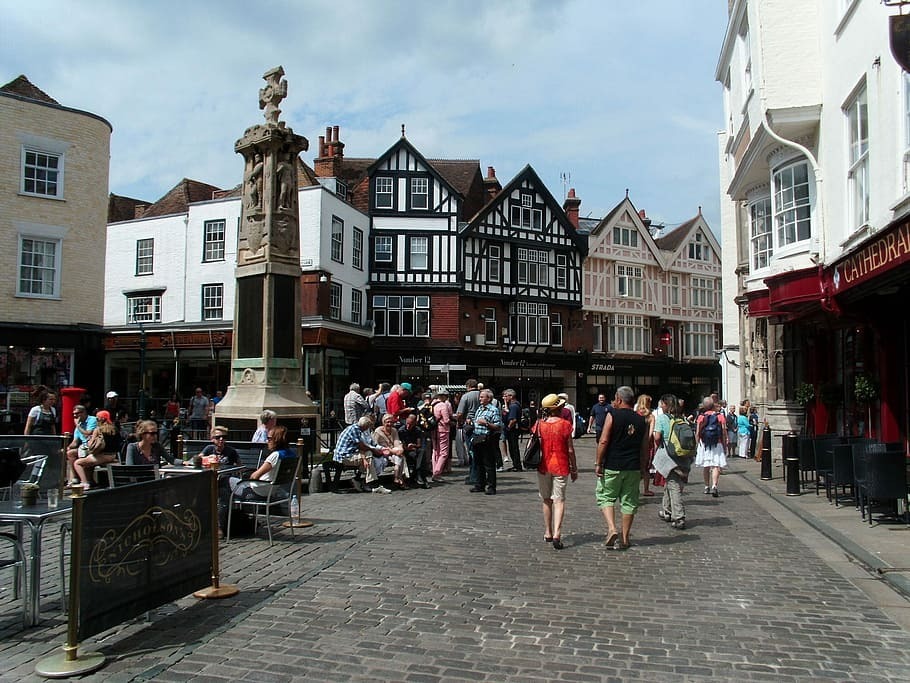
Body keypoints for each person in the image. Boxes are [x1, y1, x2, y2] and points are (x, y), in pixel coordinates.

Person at [594, 386, 649, 551]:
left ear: (618, 399)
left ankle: (612, 528)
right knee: (629, 502)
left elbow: (603, 440)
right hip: (632, 466)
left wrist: (598, 462)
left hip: (613, 464)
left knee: (605, 497)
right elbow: (645, 446)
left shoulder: (613, 415)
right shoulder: (642, 419)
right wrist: (643, 466)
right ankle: (625, 538)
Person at [222, 425, 295, 535]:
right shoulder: (291, 454)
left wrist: (250, 476)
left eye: (269, 438)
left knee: (224, 481)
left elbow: (255, 476)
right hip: (272, 491)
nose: (267, 441)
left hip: (257, 491)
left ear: (277, 440)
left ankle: (223, 523)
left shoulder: (275, 455)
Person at [535, 393, 578, 550]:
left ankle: (547, 531)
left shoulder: (539, 424)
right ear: (558, 408)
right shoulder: (565, 425)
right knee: (559, 500)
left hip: (543, 465)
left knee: (546, 499)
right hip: (561, 465)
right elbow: (570, 450)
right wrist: (574, 468)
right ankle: (557, 534)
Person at [655, 394, 692, 529]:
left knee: (673, 485)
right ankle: (667, 510)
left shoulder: (662, 418)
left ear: (667, 405)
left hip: (669, 455)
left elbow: (657, 436)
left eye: (662, 404)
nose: (661, 406)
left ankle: (679, 517)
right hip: (683, 455)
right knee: (670, 482)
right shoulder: (682, 418)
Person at [332, 415, 392, 494]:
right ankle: (373, 484)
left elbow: (361, 447)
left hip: (350, 453)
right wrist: (373, 450)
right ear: (365, 426)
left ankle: (363, 481)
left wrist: (365, 458)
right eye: (367, 427)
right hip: (343, 457)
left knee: (368, 456)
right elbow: (362, 446)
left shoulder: (355, 428)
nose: (367, 429)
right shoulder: (355, 430)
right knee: (369, 455)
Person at [73, 410, 121, 488]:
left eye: (97, 419)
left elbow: (90, 445)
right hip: (112, 455)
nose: (96, 420)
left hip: (102, 456)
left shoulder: (98, 429)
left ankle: (84, 483)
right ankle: (90, 480)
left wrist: (89, 439)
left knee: (78, 463)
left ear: (101, 419)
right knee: (88, 460)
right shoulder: (114, 429)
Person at [469, 389, 503, 495]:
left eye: (482, 397)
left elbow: (498, 426)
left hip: (487, 439)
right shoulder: (479, 409)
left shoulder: (493, 410)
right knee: (478, 463)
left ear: (488, 398)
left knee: (489, 464)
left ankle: (491, 486)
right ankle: (480, 484)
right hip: (477, 438)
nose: (480, 398)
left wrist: (487, 423)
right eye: (480, 397)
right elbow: (476, 421)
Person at [695, 396, 727, 497]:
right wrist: (725, 444)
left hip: (704, 443)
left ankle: (706, 486)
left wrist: (697, 444)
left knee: (706, 465)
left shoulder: (701, 417)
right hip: (717, 443)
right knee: (716, 465)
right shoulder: (720, 416)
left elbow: (697, 432)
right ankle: (714, 486)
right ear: (713, 405)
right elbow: (724, 431)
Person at [373, 413, 410, 488]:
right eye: (387, 422)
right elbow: (375, 445)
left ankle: (397, 478)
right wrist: (392, 451)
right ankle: (399, 478)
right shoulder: (378, 432)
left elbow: (396, 441)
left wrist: (400, 448)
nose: (389, 424)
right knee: (400, 457)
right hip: (383, 452)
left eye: (391, 422)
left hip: (394, 451)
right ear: (383, 422)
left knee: (400, 457)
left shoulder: (394, 430)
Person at [456, 379, 481, 485]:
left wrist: (459, 422)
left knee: (471, 451)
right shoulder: (482, 395)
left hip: (470, 425)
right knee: (480, 452)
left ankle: (474, 476)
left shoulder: (466, 396)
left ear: (468, 386)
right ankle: (478, 474)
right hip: (481, 425)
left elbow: (460, 413)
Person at [66, 404, 97, 482]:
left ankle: (86, 480)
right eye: (73, 414)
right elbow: (75, 442)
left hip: (93, 446)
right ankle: (75, 478)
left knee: (82, 453)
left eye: (77, 413)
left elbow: (88, 433)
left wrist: (77, 425)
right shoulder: (79, 425)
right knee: (70, 453)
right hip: (83, 447)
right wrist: (68, 447)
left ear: (84, 413)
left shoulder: (92, 420)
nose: (75, 416)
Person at [635, 394, 657, 497]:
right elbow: (650, 433)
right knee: (646, 468)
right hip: (647, 445)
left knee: (636, 467)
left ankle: (633, 488)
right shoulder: (651, 416)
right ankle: (646, 489)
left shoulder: (635, 414)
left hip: (636, 443)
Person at [399, 413, 428, 488]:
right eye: (408, 423)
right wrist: (408, 447)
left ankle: (418, 474)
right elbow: (402, 445)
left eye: (411, 424)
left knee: (421, 452)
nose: (409, 426)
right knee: (419, 457)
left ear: (415, 423)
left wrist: (413, 445)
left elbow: (419, 444)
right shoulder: (401, 430)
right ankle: (421, 478)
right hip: (406, 450)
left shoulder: (417, 430)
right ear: (406, 421)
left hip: (415, 449)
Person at [431, 388, 454, 482]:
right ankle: (437, 473)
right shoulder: (443, 405)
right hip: (443, 430)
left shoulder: (433, 404)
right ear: (444, 396)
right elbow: (446, 420)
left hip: (433, 429)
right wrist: (453, 422)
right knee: (444, 452)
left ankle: (434, 470)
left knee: (435, 450)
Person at [502, 389, 523, 472]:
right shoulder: (513, 405)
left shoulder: (513, 406)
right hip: (513, 429)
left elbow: (513, 419)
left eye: (506, 396)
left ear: (511, 396)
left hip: (513, 430)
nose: (504, 397)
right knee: (513, 447)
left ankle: (517, 465)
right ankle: (516, 464)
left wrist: (508, 427)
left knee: (513, 448)